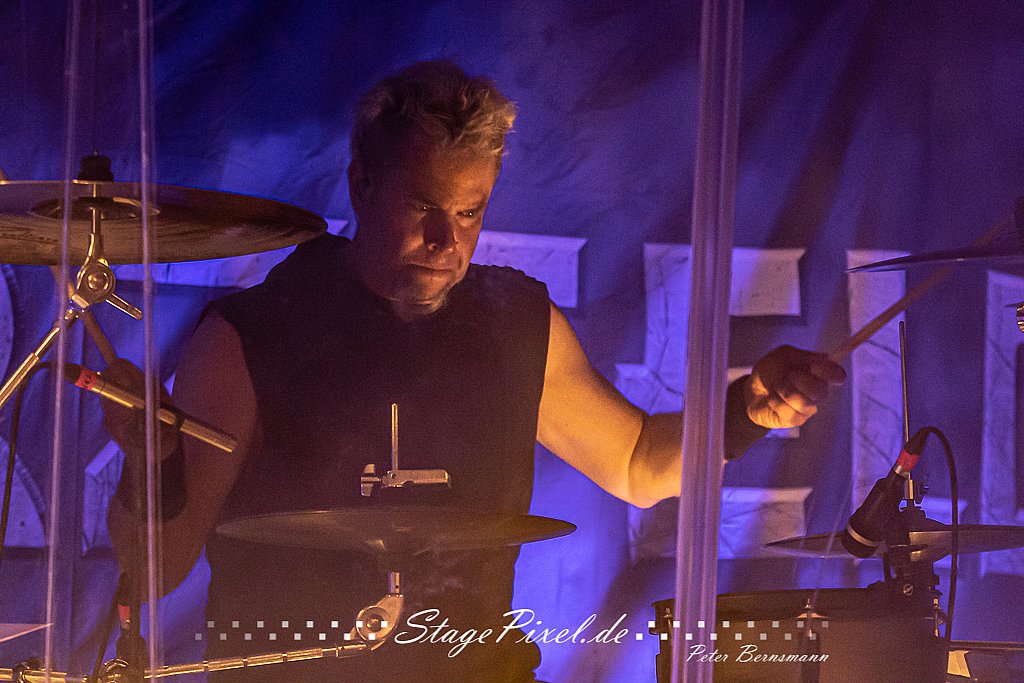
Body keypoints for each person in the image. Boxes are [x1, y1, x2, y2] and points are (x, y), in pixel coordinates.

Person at [103, 60, 845, 682]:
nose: (444, 239)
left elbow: (637, 463)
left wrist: (748, 409)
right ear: (361, 186)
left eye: (469, 212)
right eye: (423, 206)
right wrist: (153, 460)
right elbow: (156, 569)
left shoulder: (515, 322)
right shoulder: (250, 335)